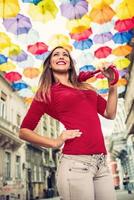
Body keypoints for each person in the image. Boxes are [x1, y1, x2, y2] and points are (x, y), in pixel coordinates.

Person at [19, 46, 117, 200]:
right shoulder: (46, 92)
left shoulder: (86, 88)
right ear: (50, 64)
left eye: (65, 55)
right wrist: (55, 142)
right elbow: (24, 130)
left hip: (101, 164)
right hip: (76, 164)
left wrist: (112, 84)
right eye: (56, 54)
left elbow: (109, 113)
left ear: (70, 64)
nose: (61, 56)